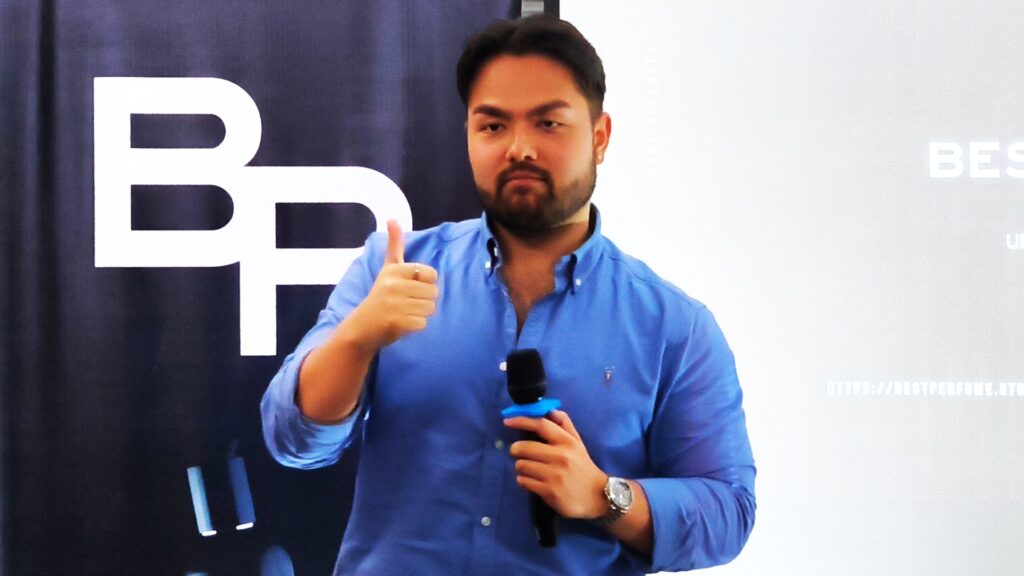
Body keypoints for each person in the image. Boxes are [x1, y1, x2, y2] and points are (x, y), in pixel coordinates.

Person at [261, 14, 755, 575]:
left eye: (548, 123)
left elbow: (728, 513)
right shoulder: (392, 270)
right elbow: (293, 440)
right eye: (493, 126)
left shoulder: (673, 326)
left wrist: (604, 495)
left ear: (599, 137)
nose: (520, 148)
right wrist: (357, 340)